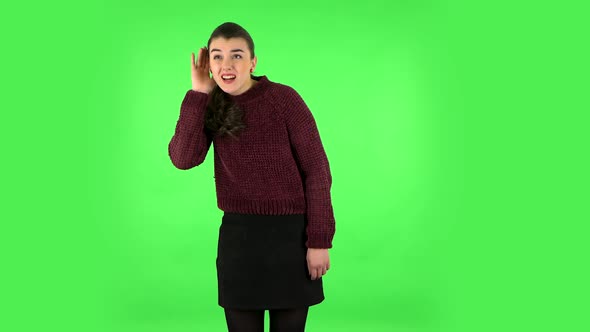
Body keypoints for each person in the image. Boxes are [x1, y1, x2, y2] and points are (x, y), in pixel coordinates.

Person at [168, 22, 336, 332]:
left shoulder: (285, 101)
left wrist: (319, 241)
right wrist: (197, 93)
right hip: (239, 241)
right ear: (209, 64)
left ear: (253, 62)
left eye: (236, 56)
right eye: (217, 57)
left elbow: (317, 171)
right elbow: (183, 158)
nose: (226, 65)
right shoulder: (211, 104)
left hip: (292, 240)